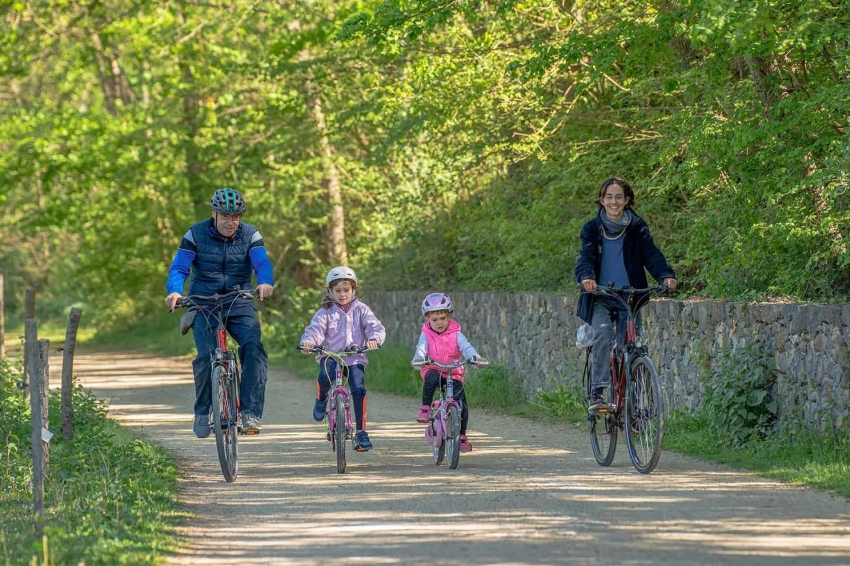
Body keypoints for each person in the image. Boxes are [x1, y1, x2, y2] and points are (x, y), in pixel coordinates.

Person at [165, 188, 275, 438]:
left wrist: (265, 282)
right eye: (225, 216)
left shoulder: (250, 234)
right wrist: (175, 291)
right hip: (203, 301)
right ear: (214, 214)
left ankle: (249, 412)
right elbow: (179, 267)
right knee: (206, 356)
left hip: (239, 299)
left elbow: (262, 263)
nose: (230, 221)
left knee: (254, 348)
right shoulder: (195, 234)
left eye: (235, 216)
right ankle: (203, 411)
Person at [574, 177, 677, 412]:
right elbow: (585, 257)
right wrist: (586, 277)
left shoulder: (637, 227)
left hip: (630, 297)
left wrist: (665, 275)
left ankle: (634, 407)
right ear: (601, 200)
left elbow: (651, 254)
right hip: (600, 296)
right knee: (602, 333)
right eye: (609, 197)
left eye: (619, 197)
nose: (614, 202)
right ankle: (598, 392)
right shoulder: (592, 228)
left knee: (630, 347)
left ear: (627, 200)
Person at [299, 266, 386, 452]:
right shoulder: (325, 311)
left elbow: (375, 327)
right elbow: (314, 330)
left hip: (354, 357)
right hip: (330, 356)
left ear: (353, 289)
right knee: (325, 376)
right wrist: (308, 342)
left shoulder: (362, 310)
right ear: (330, 291)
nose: (342, 294)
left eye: (346, 290)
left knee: (358, 389)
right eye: (337, 290)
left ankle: (361, 432)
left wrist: (374, 339)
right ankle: (321, 398)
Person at [411, 292, 488, 453]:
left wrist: (475, 358)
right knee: (431, 378)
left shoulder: (456, 334)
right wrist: (419, 358)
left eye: (443, 318)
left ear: (449, 317)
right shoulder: (426, 334)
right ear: (427, 318)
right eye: (435, 320)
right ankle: (425, 407)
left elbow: (466, 347)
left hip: (453, 372)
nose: (439, 322)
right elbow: (421, 347)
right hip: (434, 368)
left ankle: (462, 435)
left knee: (462, 405)